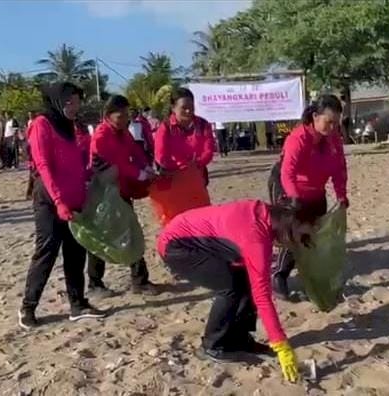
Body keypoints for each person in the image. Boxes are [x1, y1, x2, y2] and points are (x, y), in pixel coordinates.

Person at [157, 199, 313, 381]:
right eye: (303, 236)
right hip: (177, 246)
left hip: (197, 237)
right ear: (290, 224)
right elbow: (262, 297)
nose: (302, 242)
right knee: (229, 287)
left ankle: (238, 339)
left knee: (245, 279)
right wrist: (280, 345)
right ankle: (212, 345)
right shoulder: (257, 239)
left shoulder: (267, 216)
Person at [19, 82, 106, 330]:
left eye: (77, 101)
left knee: (75, 250)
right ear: (58, 101)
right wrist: (58, 201)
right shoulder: (41, 124)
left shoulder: (70, 126)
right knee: (47, 250)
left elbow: (75, 163)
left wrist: (92, 173)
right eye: (70, 101)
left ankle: (77, 304)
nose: (74, 106)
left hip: (75, 197)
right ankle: (28, 306)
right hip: (49, 199)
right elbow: (44, 165)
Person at [268, 94, 349, 300]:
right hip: (289, 187)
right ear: (315, 116)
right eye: (328, 122)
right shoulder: (298, 138)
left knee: (314, 235)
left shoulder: (334, 140)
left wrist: (341, 195)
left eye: (336, 123)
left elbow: (339, 170)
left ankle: (310, 277)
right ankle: (279, 276)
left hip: (316, 190)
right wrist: (294, 199)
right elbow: (287, 173)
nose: (332, 127)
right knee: (293, 233)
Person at [87, 95, 158, 296]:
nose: (126, 118)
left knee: (131, 232)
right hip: (103, 195)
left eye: (127, 115)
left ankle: (140, 280)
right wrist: (140, 173)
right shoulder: (101, 136)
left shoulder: (122, 132)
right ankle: (94, 284)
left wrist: (145, 165)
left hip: (121, 191)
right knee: (101, 237)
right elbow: (120, 164)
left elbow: (134, 151)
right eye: (121, 115)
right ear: (108, 116)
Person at [154, 88, 215, 186]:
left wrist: (197, 164)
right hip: (173, 177)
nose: (188, 111)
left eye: (191, 107)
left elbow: (209, 150)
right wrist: (180, 167)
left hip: (197, 175)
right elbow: (160, 155)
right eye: (184, 108)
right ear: (173, 108)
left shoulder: (203, 125)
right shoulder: (165, 127)